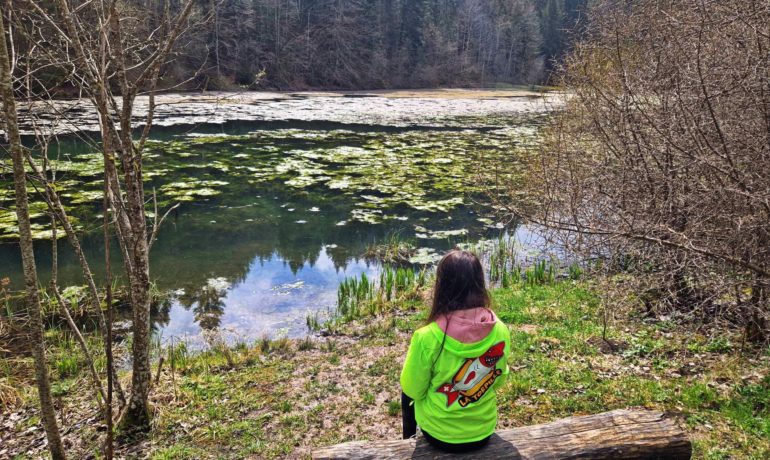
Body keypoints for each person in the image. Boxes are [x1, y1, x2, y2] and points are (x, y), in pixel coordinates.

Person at [400, 249, 510, 453]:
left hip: (439, 435)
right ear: (480, 283)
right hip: (482, 431)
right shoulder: (500, 330)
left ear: (442, 286)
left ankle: (408, 438)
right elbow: (499, 380)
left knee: (407, 392)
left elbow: (412, 389)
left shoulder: (427, 336)